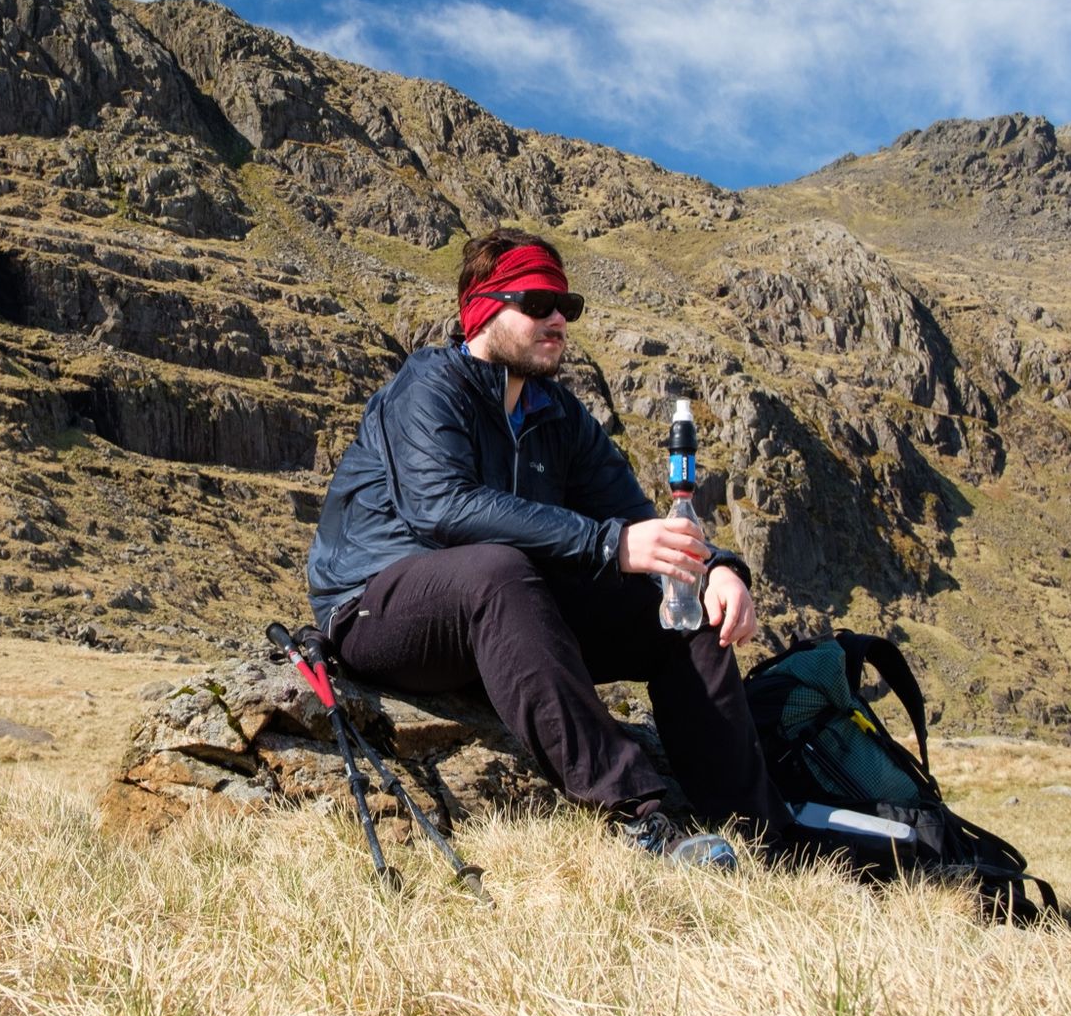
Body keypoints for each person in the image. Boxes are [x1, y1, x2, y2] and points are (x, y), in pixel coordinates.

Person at [305, 228, 792, 868]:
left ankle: (758, 838)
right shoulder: (428, 388)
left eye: (567, 306)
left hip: (508, 613)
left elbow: (637, 521)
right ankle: (639, 817)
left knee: (684, 612)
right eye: (537, 303)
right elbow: (443, 508)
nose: (558, 318)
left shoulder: (560, 414)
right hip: (375, 605)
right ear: (482, 309)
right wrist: (610, 543)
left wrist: (715, 571)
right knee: (497, 570)